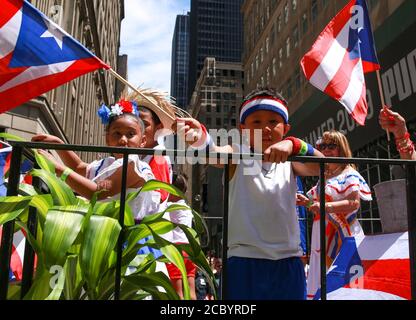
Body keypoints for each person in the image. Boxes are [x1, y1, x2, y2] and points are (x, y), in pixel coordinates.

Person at [177, 87, 324, 300]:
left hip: (288, 262)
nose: (265, 128)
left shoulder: (292, 161)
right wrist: (200, 137)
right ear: (243, 128)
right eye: (257, 122)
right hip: (243, 262)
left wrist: (294, 144)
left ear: (286, 128)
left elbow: (324, 166)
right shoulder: (237, 153)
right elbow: (213, 154)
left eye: (273, 121)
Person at [31, 99, 159, 220]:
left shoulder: (133, 166)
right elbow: (78, 167)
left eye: (130, 134)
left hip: (125, 237)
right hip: (102, 231)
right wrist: (59, 144)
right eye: (117, 134)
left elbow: (96, 192)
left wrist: (59, 169)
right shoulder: (107, 163)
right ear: (107, 138)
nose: (123, 140)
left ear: (142, 141)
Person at [297, 130, 372, 300]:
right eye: (323, 146)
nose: (326, 149)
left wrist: (322, 206)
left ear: (342, 148)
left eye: (332, 146)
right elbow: (315, 206)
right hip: (320, 234)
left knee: (345, 278)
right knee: (322, 281)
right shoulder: (323, 176)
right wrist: (306, 202)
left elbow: (354, 203)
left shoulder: (350, 174)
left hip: (343, 233)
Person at [164, 172, 197, 300]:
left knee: (177, 295)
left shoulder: (169, 206)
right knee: (191, 293)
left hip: (176, 250)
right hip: (189, 250)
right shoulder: (186, 207)